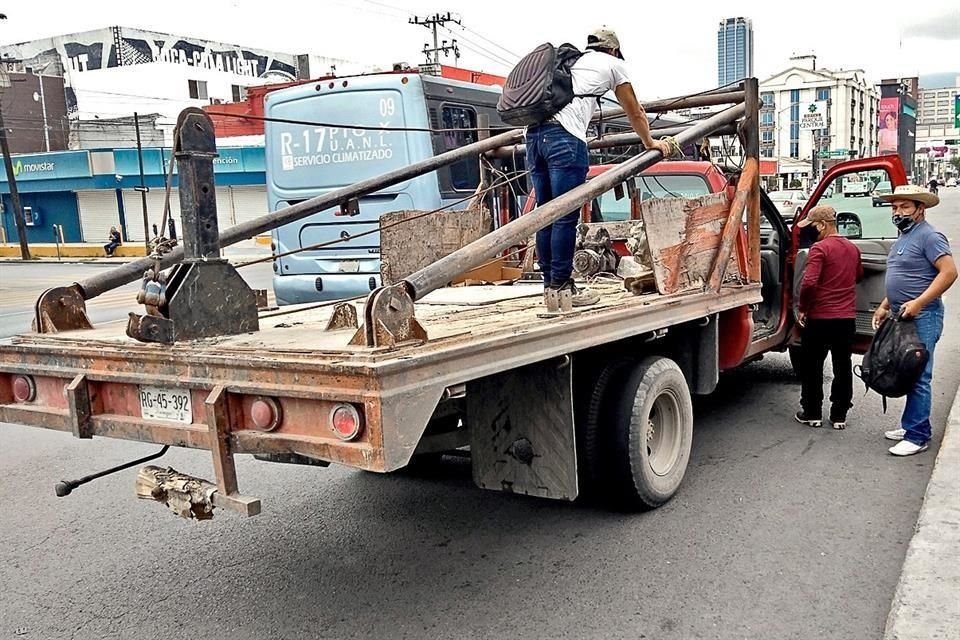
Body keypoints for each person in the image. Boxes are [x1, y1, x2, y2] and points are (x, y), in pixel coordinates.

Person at [526, 27, 674, 312]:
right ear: (614, 50)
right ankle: (562, 287)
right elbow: (635, 111)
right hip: (565, 139)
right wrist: (650, 142)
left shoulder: (572, 61)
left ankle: (550, 289)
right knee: (564, 216)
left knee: (544, 214)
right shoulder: (614, 65)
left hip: (533, 136)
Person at [873, 185, 957, 456]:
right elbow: (901, 275)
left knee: (920, 374)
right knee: (906, 368)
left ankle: (918, 434)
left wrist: (919, 302)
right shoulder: (903, 237)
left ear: (920, 209)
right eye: (895, 208)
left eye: (905, 207)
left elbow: (949, 273)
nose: (898, 213)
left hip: (924, 316)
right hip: (902, 315)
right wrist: (885, 305)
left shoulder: (930, 236)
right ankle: (912, 424)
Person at [793, 206, 864, 430]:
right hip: (845, 319)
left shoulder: (819, 248)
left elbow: (809, 282)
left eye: (812, 226)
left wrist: (803, 308)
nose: (809, 231)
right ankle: (839, 416)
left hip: (820, 318)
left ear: (822, 225)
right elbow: (858, 275)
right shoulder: (852, 249)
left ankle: (812, 413)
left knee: (812, 366)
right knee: (842, 366)